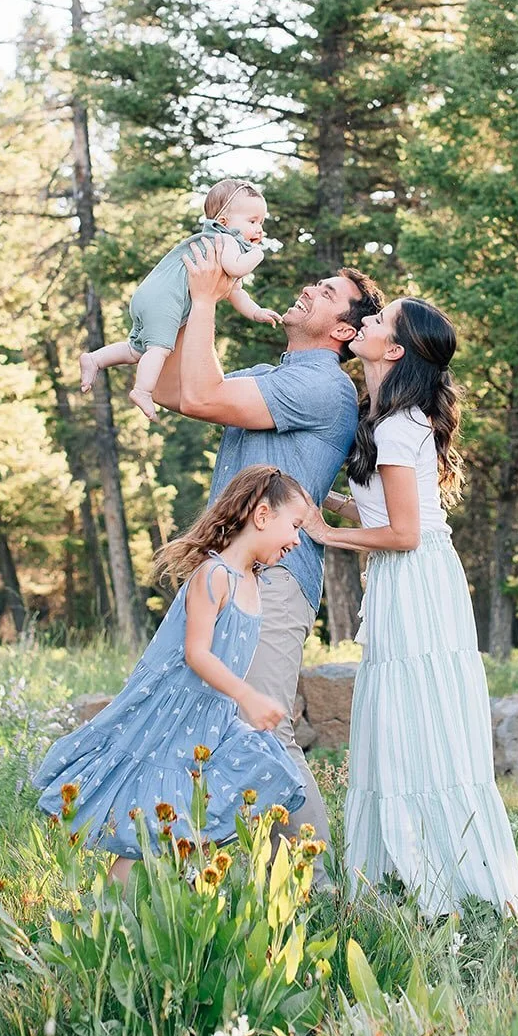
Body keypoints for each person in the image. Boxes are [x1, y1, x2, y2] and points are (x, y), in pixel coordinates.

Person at [150, 239, 384, 872]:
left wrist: (208, 299)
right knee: (211, 720)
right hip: (226, 572)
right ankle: (228, 876)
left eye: (327, 293)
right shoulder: (275, 374)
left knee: (265, 725)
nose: (309, 288)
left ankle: (317, 885)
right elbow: (180, 391)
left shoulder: (323, 386)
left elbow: (203, 396)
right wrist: (189, 303)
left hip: (274, 576)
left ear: (342, 331)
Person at [304, 297, 518, 919]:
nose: (367, 322)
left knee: (417, 717)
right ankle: (405, 872)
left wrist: (327, 534)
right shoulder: (385, 419)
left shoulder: (400, 427)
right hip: (406, 577)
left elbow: (404, 533)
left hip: (417, 579)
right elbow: (386, 510)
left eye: (379, 322)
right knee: (401, 718)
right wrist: (329, 504)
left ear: (395, 350)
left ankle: (441, 877)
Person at [32, 466, 310, 883]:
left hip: (212, 721)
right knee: (153, 824)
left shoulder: (254, 581)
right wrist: (249, 696)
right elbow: (196, 654)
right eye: (295, 525)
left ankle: (187, 897)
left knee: (229, 795)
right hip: (174, 720)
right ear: (262, 515)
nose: (297, 540)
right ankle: (107, 911)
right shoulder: (214, 575)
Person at [78, 178, 280, 418]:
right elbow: (236, 268)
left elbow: (235, 292)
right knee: (159, 349)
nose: (259, 229)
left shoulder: (214, 243)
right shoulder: (225, 239)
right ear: (224, 222)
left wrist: (256, 311)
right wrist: (257, 254)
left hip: (152, 296)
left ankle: (95, 359)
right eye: (252, 221)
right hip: (166, 300)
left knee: (136, 351)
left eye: (261, 222)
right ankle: (142, 390)